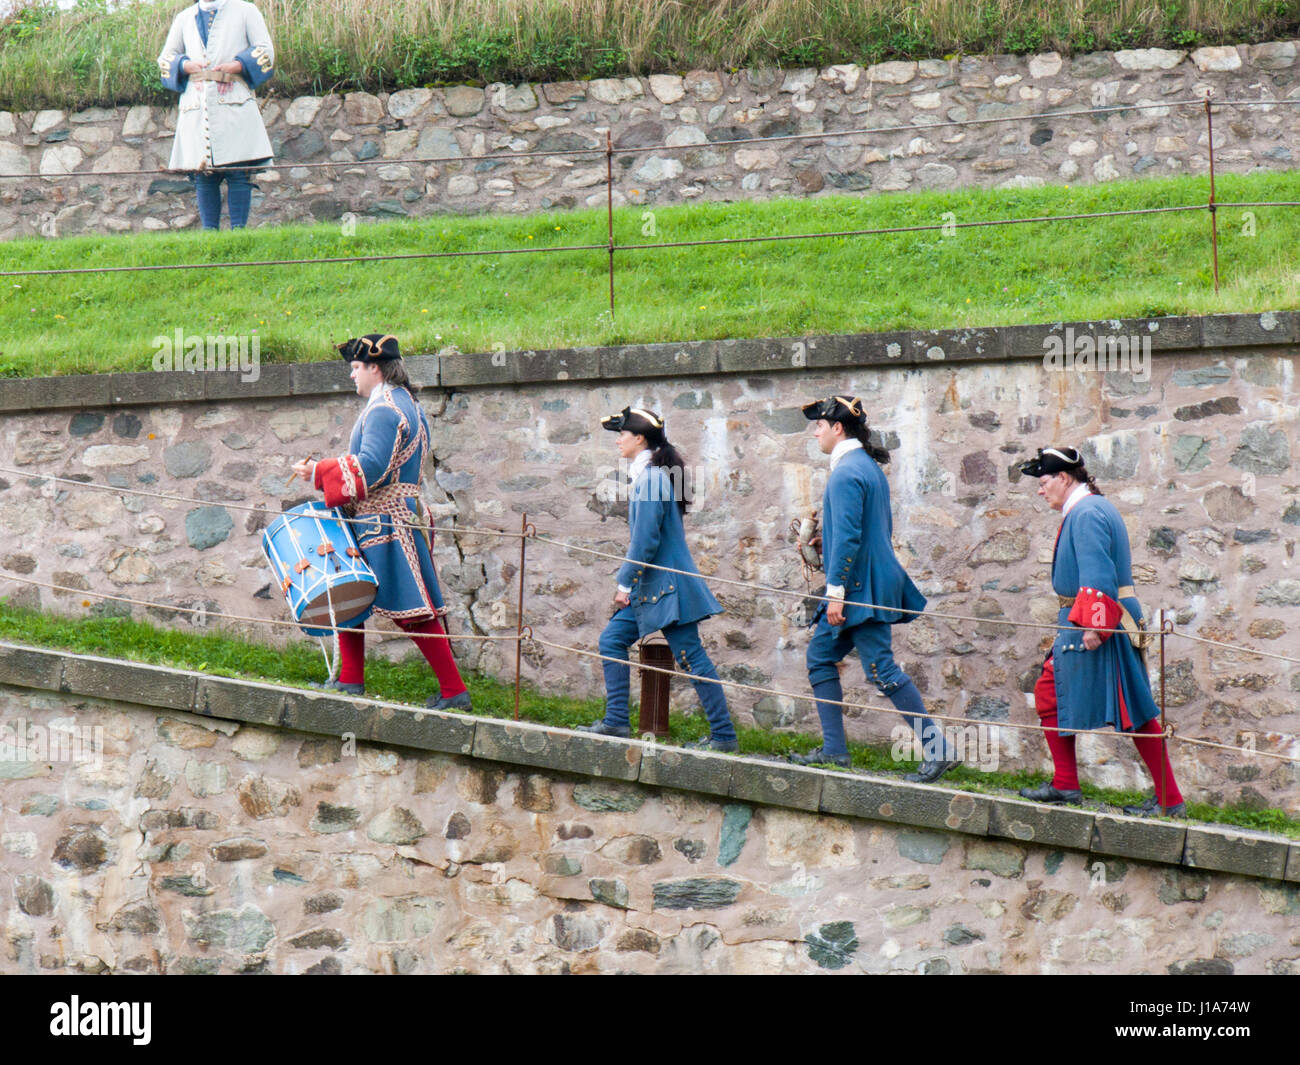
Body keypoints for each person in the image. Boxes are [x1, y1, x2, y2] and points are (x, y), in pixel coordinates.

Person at [291, 334, 470, 711]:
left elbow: (371, 466)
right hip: (386, 514)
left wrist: (317, 471)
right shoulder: (404, 403)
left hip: (384, 518)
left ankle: (455, 692)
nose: (352, 376)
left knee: (412, 610)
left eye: (356, 368)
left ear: (375, 367)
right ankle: (350, 679)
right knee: (350, 594)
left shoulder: (385, 409)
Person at [791, 396, 955, 782]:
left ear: (837, 428)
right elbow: (861, 532)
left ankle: (939, 750)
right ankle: (834, 750)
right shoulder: (864, 467)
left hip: (859, 589)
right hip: (865, 582)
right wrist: (824, 542)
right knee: (820, 656)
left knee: (880, 668)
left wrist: (835, 593)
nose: (815, 431)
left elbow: (850, 537)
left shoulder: (847, 472)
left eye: (819, 425)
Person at [1016, 446, 1184, 817]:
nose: (1040, 491)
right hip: (1098, 616)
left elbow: (1097, 570)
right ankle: (1067, 785)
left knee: (1133, 710)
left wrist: (1095, 624)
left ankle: (1168, 801)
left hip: (1097, 618)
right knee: (1070, 697)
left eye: (1044, 483)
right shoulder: (1089, 507)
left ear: (1063, 478)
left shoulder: (1088, 512)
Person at [577, 407, 738, 751]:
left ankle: (724, 736)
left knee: (692, 657)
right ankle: (617, 722)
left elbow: (645, 541)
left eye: (622, 433)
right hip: (655, 589)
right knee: (612, 641)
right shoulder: (650, 475)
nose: (617, 440)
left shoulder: (650, 479)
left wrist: (624, 583)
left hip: (666, 590)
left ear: (639, 438)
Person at [158, 0, 276, 230]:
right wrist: (186, 65)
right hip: (197, 103)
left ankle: (239, 232)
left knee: (238, 172)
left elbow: (265, 50)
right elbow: (166, 58)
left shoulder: (246, 11)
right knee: (203, 174)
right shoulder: (184, 17)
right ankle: (209, 233)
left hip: (234, 100)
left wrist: (237, 65)